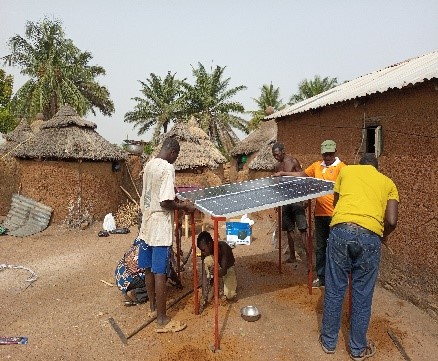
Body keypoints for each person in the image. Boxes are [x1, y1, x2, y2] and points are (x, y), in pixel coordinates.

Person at [319, 153, 399, 360]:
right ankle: (357, 349)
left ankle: (328, 342)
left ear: (360, 164)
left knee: (335, 289)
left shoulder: (346, 172)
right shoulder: (388, 183)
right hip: (370, 235)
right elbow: (391, 220)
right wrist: (382, 236)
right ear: (376, 168)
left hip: (341, 231)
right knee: (363, 294)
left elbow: (336, 203)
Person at [138, 137, 195, 333]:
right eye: (176, 156)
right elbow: (165, 202)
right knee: (160, 271)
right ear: (172, 152)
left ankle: (153, 308)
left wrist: (176, 199)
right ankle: (162, 321)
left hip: (145, 224)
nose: (175, 159)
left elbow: (152, 194)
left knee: (148, 268)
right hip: (160, 227)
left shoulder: (149, 165)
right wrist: (184, 205)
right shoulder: (167, 168)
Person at [273, 140, 346, 287]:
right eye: (325, 154)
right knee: (320, 247)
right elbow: (302, 175)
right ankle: (321, 277)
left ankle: (336, 278)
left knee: (336, 246)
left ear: (335, 152)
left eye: (330, 153)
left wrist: (303, 200)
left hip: (336, 215)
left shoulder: (343, 168)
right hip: (319, 214)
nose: (327, 157)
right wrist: (282, 173)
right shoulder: (316, 166)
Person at [271, 142, 308, 266]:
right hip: (285, 201)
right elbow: (277, 185)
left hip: (297, 199)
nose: (276, 157)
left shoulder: (293, 161)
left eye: (277, 154)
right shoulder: (276, 166)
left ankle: (309, 259)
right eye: (274, 155)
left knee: (302, 229)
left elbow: (303, 176)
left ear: (283, 151)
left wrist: (305, 198)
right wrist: (277, 201)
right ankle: (292, 256)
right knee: (289, 230)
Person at [197, 231, 237, 301]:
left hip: (227, 268)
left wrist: (215, 273)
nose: (202, 252)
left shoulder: (223, 247)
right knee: (207, 260)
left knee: (229, 295)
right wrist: (204, 295)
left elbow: (224, 271)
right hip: (217, 269)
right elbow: (204, 274)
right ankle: (212, 280)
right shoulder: (205, 251)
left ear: (209, 244)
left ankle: (217, 280)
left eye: (203, 249)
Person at [115, 238, 149, 306]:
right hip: (130, 278)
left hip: (120, 274)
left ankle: (131, 289)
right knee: (156, 281)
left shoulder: (140, 240)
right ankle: (137, 294)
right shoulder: (151, 249)